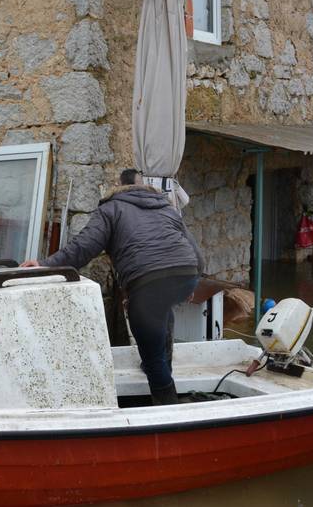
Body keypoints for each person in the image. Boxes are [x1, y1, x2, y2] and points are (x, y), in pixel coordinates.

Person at [21, 168, 203, 405]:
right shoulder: (167, 208)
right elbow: (197, 255)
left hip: (147, 282)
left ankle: (169, 408)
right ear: (144, 186)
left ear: (118, 185)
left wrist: (45, 265)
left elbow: (83, 247)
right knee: (162, 306)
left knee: (151, 357)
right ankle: (162, 359)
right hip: (186, 274)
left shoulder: (110, 208)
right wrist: (191, 283)